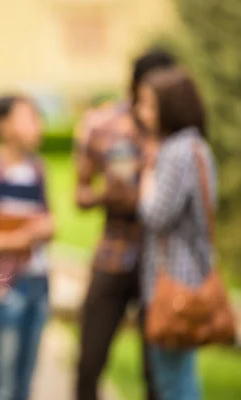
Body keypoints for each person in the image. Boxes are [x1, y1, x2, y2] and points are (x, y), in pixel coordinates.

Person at [74, 49, 176, 400]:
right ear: (135, 85)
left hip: (162, 263)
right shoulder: (101, 125)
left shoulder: (176, 131)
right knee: (89, 361)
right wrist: (106, 195)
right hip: (113, 256)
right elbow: (81, 194)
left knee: (158, 370)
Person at [136, 67, 213, 400]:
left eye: (149, 105)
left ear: (170, 108)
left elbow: (156, 215)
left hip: (171, 282)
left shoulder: (176, 151)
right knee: (180, 374)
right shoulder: (197, 146)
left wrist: (146, 176)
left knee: (174, 383)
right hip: (193, 275)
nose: (142, 113)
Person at [0, 95, 53, 400]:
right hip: (6, 287)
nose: (37, 125)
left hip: (38, 282)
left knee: (27, 378)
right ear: (2, 125)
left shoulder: (38, 168)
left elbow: (49, 220)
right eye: (27, 117)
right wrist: (19, 239)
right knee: (3, 382)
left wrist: (45, 228)